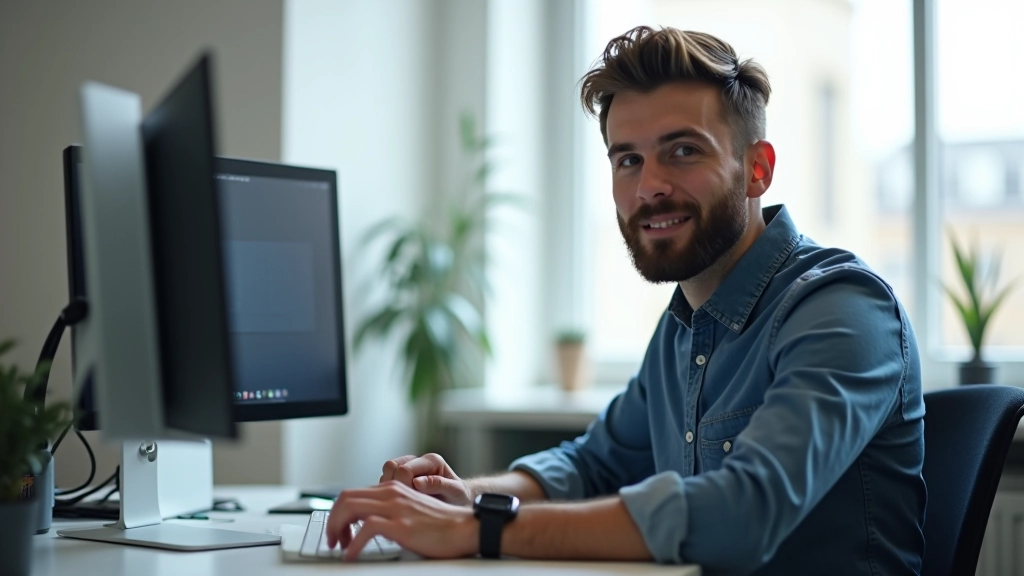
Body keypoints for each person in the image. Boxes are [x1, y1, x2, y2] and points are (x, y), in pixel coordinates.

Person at [326, 25, 925, 575]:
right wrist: (468, 495)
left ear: (756, 170)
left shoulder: (841, 307)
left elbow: (742, 513)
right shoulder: (685, 329)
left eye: (683, 151)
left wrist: (480, 529)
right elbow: (595, 462)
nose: (649, 187)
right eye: (628, 159)